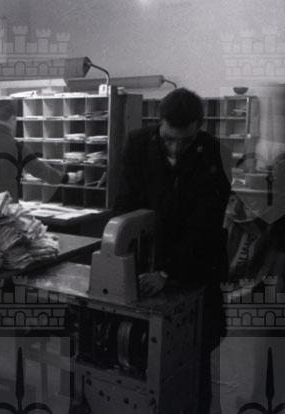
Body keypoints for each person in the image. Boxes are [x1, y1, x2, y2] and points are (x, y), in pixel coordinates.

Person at [113, 88, 231, 413]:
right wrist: (122, 258)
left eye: (185, 140)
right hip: (147, 258)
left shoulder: (215, 153)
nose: (176, 148)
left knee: (195, 354)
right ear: (159, 122)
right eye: (168, 139)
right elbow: (125, 202)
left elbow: (205, 226)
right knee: (140, 354)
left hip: (198, 266)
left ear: (199, 127)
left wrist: (167, 271)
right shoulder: (138, 143)